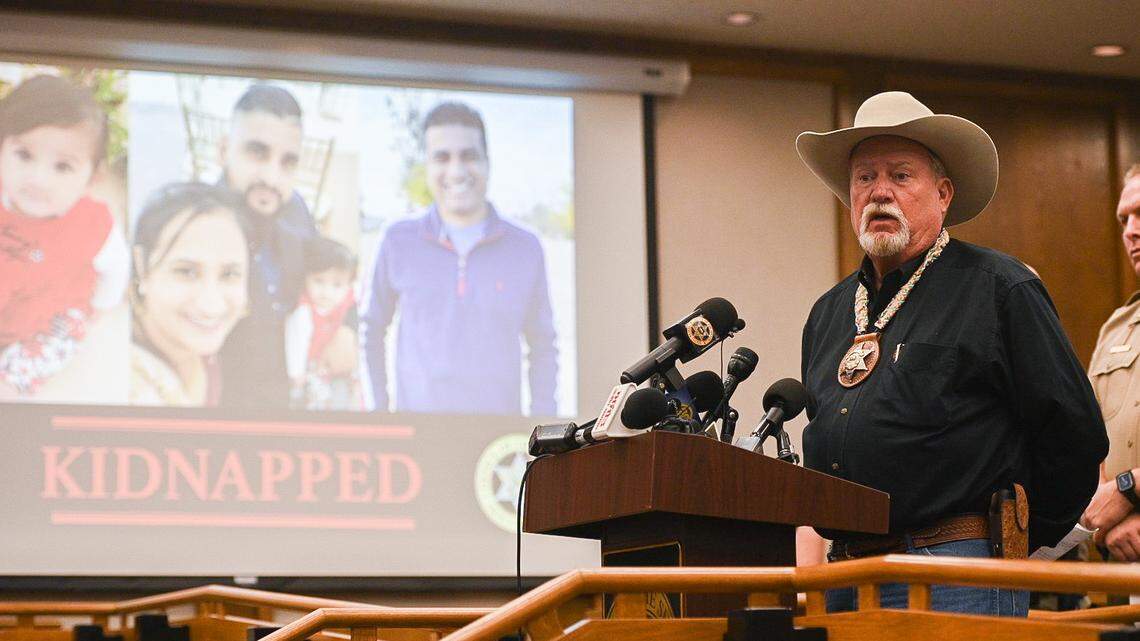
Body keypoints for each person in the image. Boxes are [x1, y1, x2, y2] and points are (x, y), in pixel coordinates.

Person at [795, 91, 1107, 616]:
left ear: (943, 194)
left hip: (956, 568)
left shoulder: (999, 288)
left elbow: (1074, 435)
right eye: (865, 178)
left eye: (900, 175)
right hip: (846, 574)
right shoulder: (827, 313)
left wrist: (1013, 546)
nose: (879, 193)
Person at [360, 101, 558, 416]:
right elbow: (371, 329)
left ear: (488, 163)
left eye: (469, 156)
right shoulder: (397, 240)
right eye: (442, 157)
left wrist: (543, 424)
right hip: (416, 437)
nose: (456, 170)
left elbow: (543, 345)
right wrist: (380, 412)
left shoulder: (526, 247)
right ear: (426, 166)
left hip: (497, 442)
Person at [0, 74, 129, 396]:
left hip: (49, 313)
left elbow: (116, 267)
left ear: (92, 179)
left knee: (60, 340)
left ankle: (12, 382)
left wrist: (101, 304)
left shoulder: (94, 224)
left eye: (62, 167)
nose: (38, 179)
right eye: (24, 155)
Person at [215, 83, 318, 407]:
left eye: (288, 162)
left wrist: (345, 326)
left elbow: (322, 271)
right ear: (223, 151)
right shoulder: (197, 224)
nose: (272, 177)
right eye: (257, 153)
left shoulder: (296, 209)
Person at [130, 183, 250, 406]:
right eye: (186, 272)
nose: (210, 305)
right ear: (142, 267)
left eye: (230, 274)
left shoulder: (210, 349)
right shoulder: (126, 382)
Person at [1082, 165, 1140, 561]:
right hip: (1120, 559)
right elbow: (1088, 444)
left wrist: (1129, 490)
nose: (1131, 230)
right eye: (1124, 219)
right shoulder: (1117, 328)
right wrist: (1103, 518)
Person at [284, 235, 360, 410]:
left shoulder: (347, 301)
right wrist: (297, 376)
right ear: (306, 278)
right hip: (311, 369)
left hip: (339, 369)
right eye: (319, 281)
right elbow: (296, 344)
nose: (326, 292)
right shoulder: (304, 312)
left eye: (337, 285)